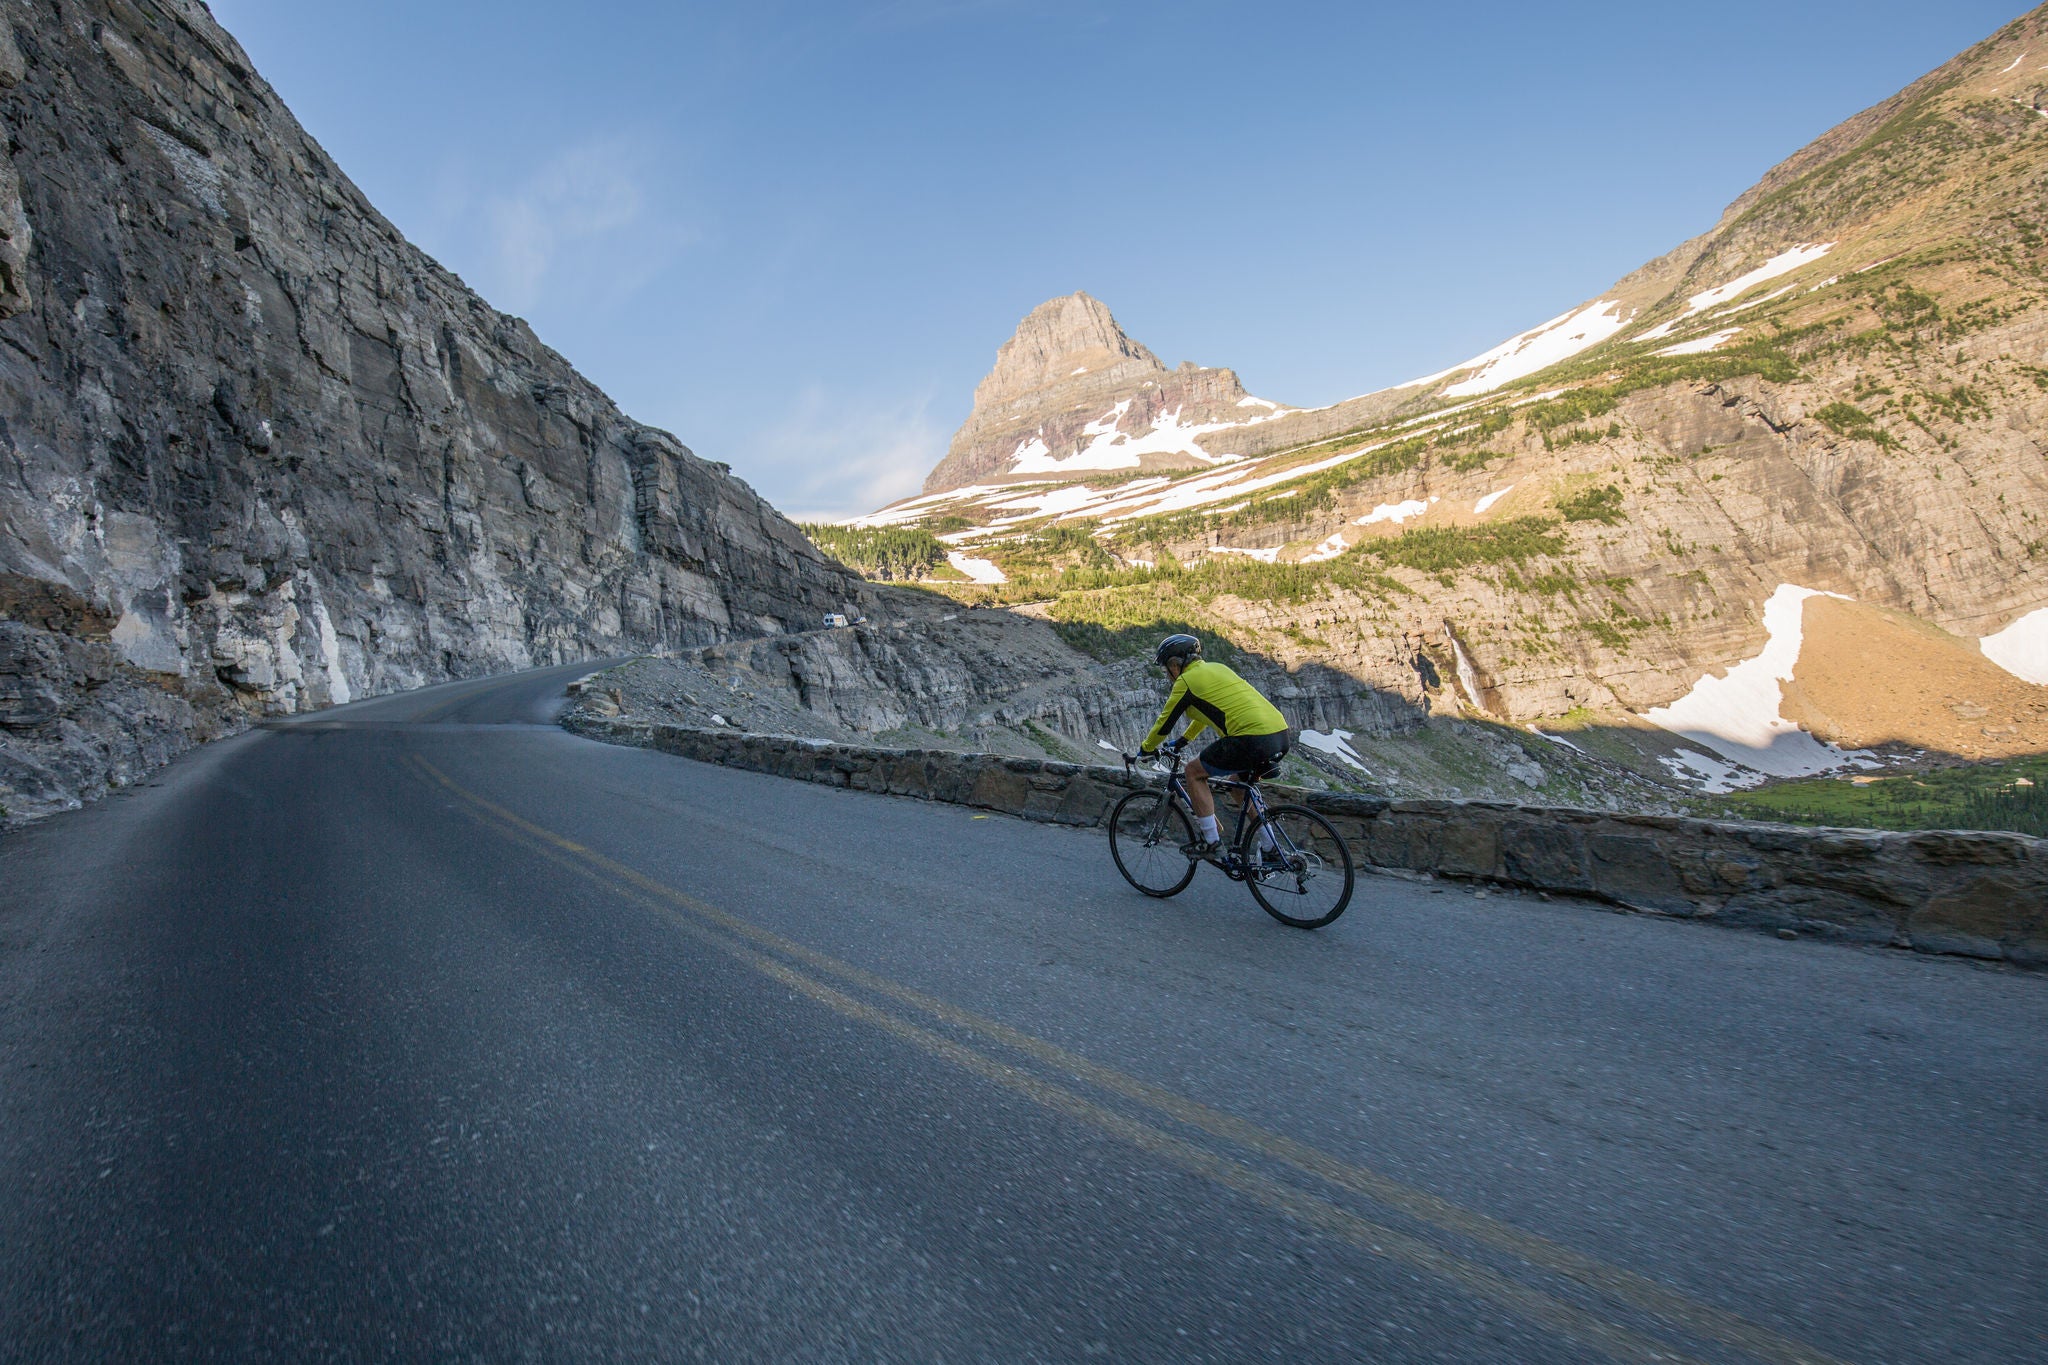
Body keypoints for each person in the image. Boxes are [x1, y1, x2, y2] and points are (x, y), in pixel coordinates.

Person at [1137, 634, 1291, 857]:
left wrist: (1145, 749)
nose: (1167, 674)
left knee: (1193, 772)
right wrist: (1183, 740)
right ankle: (1271, 847)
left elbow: (1164, 723)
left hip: (1250, 738)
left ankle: (1211, 842)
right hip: (1279, 733)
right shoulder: (1218, 668)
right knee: (1237, 787)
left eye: (1166, 668)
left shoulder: (1185, 682)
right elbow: (1203, 715)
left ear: (1174, 664)